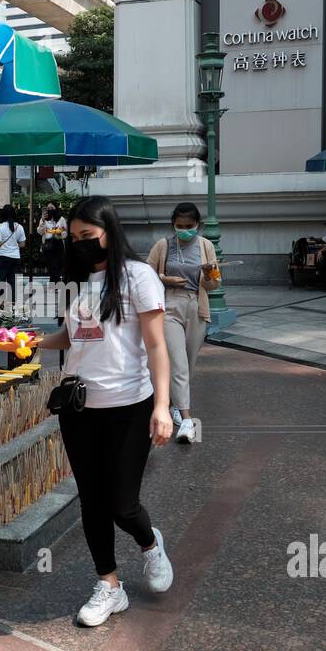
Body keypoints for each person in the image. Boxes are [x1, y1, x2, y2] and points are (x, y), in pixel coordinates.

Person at [37, 196, 174, 627]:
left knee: (122, 503)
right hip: (79, 409)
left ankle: (150, 544)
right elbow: (73, 337)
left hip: (129, 407)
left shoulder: (139, 276)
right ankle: (109, 586)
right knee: (92, 503)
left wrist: (163, 406)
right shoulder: (81, 282)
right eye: (73, 238)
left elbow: (156, 345)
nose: (79, 244)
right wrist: (23, 341)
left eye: (87, 236)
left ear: (109, 233)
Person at [146, 202, 219, 444]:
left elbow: (214, 285)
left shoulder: (206, 246)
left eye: (189, 226)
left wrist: (209, 273)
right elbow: (145, 278)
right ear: (173, 225)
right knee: (177, 362)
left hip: (197, 306)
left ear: (198, 225)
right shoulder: (163, 245)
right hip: (169, 306)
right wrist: (164, 279)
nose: (185, 230)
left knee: (188, 362)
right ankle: (187, 420)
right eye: (180, 226)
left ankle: (177, 404)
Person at [0, 204, 26, 302]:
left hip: (2, 257)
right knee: (13, 282)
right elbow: (23, 244)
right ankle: (12, 303)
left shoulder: (0, 226)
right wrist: (14, 245)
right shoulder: (19, 227)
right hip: (15, 257)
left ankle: (0, 303)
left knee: (1, 280)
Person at [37, 202, 67, 282]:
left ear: (56, 208)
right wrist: (43, 221)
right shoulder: (43, 219)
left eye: (51, 208)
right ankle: (55, 284)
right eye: (48, 208)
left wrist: (60, 233)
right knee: (51, 265)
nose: (50, 210)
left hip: (58, 243)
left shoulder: (61, 219)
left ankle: (53, 282)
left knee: (58, 265)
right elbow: (40, 232)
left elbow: (65, 233)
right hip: (48, 244)